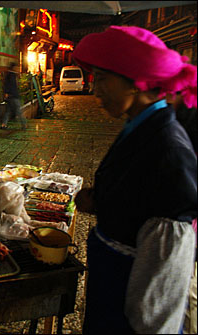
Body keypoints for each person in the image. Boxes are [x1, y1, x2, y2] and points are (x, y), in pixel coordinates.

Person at [72, 26, 197, 334]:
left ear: (136, 82)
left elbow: (165, 279)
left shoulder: (168, 150)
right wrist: (102, 201)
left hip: (132, 312)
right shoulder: (140, 127)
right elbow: (138, 199)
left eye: (102, 79)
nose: (94, 90)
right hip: (111, 289)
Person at [1, 62, 26, 130]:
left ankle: (4, 124)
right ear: (14, 68)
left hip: (10, 96)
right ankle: (23, 124)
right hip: (13, 96)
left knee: (8, 111)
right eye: (17, 67)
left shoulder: (10, 75)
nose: (18, 69)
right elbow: (11, 86)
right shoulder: (11, 75)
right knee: (18, 111)